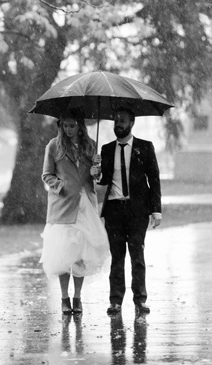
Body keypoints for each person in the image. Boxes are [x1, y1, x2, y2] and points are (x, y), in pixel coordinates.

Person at [40, 109, 110, 316]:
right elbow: (46, 174)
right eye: (65, 125)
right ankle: (64, 298)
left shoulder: (90, 147)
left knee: (81, 253)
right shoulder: (54, 146)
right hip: (63, 205)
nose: (68, 129)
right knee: (64, 253)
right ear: (60, 125)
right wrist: (61, 185)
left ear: (80, 126)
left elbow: (96, 179)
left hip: (85, 203)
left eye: (72, 125)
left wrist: (97, 172)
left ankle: (77, 297)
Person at [93, 107, 162, 316]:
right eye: (115, 121)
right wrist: (96, 173)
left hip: (138, 212)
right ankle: (115, 301)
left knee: (137, 256)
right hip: (114, 211)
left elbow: (154, 179)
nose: (118, 125)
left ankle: (140, 300)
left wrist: (156, 210)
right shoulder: (105, 150)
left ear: (132, 123)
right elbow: (103, 180)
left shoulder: (146, 148)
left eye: (122, 121)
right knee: (116, 257)